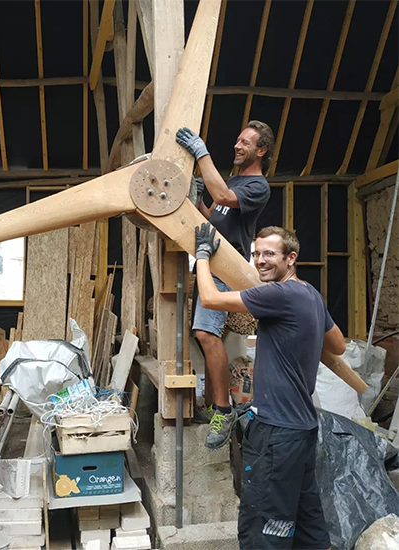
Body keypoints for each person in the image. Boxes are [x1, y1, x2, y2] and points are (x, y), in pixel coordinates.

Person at [194, 223, 342, 549]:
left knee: (264, 527)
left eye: (270, 254)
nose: (260, 261)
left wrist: (202, 255)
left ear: (291, 258)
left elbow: (210, 298)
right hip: (303, 428)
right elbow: (339, 345)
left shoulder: (278, 294)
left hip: (275, 432)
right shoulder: (310, 295)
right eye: (256, 253)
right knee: (307, 525)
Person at [176, 121, 274, 448]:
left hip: (224, 270)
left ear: (261, 151)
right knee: (202, 334)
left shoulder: (257, 186)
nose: (237, 145)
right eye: (237, 139)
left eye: (245, 142)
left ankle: (223, 410)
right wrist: (196, 194)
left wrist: (201, 153)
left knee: (206, 333)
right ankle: (214, 405)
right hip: (208, 263)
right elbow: (211, 213)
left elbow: (224, 196)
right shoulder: (233, 179)